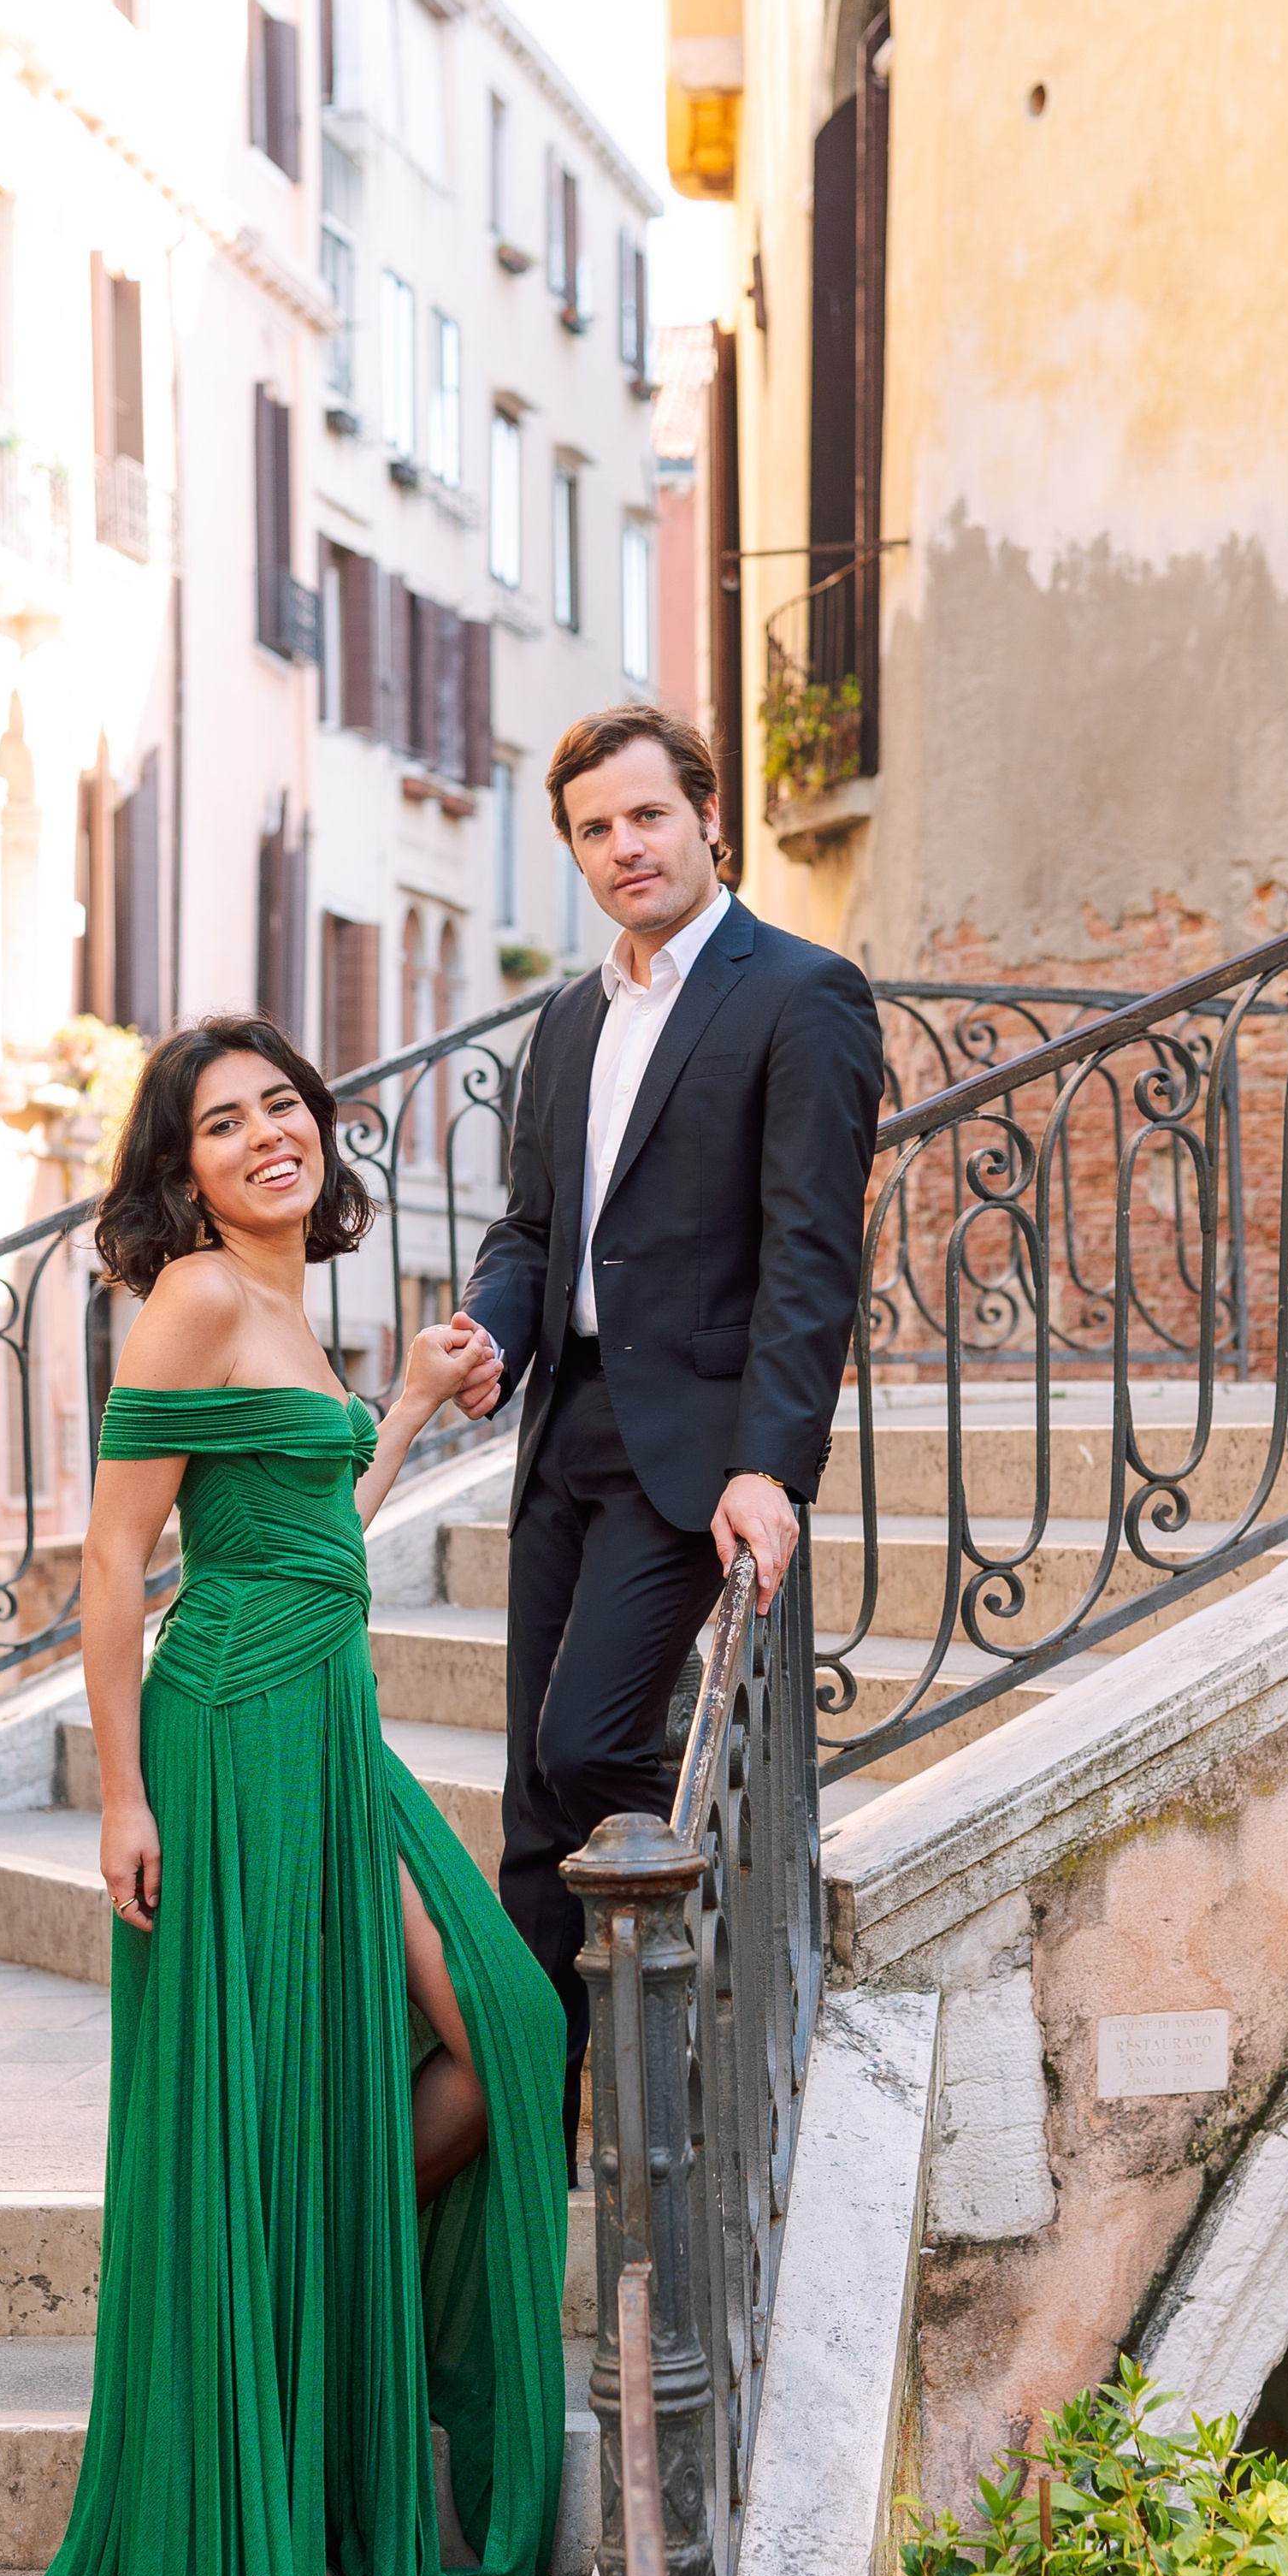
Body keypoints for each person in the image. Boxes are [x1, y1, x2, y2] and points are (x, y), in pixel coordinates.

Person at [0, 1018, 567, 2576]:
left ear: (320, 1127)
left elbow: (312, 1523)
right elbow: (111, 1559)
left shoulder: (285, 1311)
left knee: (502, 2030)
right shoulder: (193, 1304)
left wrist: (395, 1413)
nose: (260, 1136)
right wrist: (125, 1792)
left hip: (328, 1719)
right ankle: (261, 2478)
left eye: (280, 1106)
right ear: (185, 1168)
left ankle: (316, 2347)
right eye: (220, 1124)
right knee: (474, 2031)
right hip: (231, 1733)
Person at [455, 708, 883, 2164]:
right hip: (563, 1427)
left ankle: (684, 2014)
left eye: (648, 817)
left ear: (709, 818)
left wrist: (773, 1461)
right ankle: (542, 2131)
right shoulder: (570, 1017)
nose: (624, 847)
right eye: (594, 828)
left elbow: (811, 1253)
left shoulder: (804, 996)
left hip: (690, 1455)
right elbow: (531, 1230)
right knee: (529, 1804)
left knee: (591, 1747)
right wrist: (492, 1336)